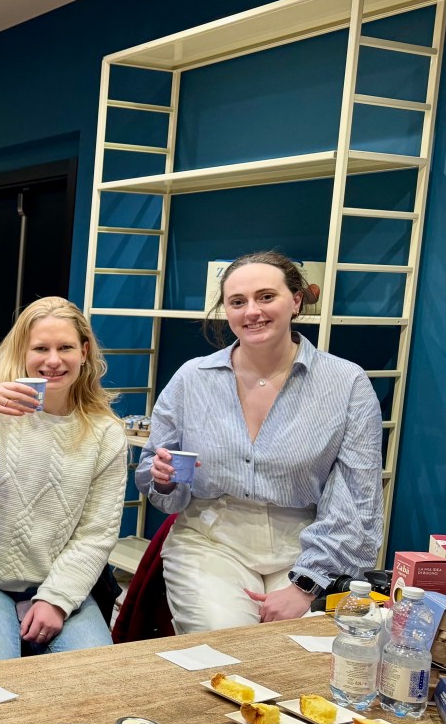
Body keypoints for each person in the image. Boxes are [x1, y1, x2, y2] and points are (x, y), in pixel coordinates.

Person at [135, 250, 383, 632]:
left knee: (299, 657)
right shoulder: (192, 379)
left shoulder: (346, 384)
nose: (252, 311)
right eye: (238, 302)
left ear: (296, 300)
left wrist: (305, 586)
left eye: (266, 297)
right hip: (210, 540)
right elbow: (154, 471)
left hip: (306, 546)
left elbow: (358, 499)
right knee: (225, 647)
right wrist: (164, 477)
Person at [0, 297, 125, 664]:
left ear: (84, 353)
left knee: (100, 678)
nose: (53, 360)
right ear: (23, 353)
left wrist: (56, 600)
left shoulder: (106, 434)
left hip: (59, 585)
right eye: (41, 348)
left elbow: (96, 534)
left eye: (65, 347)